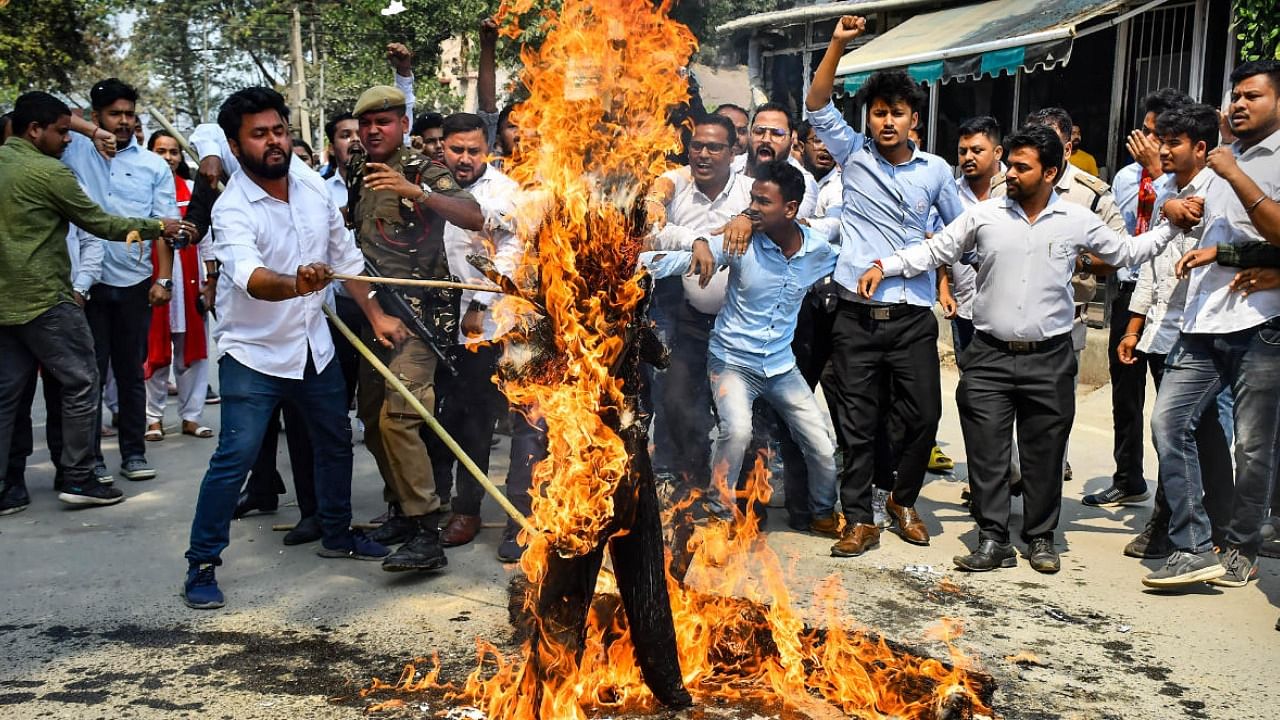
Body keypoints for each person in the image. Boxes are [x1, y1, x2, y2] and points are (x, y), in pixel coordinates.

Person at [858, 124, 1179, 573]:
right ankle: (992, 539)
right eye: (1009, 164)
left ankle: (1041, 537)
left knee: (1044, 452)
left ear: (1050, 172)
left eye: (1021, 167)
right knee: (987, 454)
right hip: (988, 355)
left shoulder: (1076, 219)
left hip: (1050, 356)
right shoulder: (984, 216)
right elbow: (933, 251)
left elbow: (1126, 252)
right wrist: (885, 266)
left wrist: (1170, 227)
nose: (1010, 173)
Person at [181, 87, 397, 610]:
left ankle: (338, 534)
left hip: (312, 347)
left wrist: (376, 315)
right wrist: (299, 284)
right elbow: (254, 280)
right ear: (236, 146)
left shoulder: (312, 190)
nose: (274, 142)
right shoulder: (232, 210)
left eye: (278, 130)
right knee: (234, 457)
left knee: (335, 441)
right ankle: (202, 564)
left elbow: (346, 263)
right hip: (253, 354)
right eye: (260, 135)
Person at [805, 16, 965, 558]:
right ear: (869, 119)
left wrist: (941, 276)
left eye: (897, 112)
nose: (887, 121)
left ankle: (901, 499)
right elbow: (817, 102)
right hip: (855, 314)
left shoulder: (937, 172)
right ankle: (860, 519)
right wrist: (838, 44)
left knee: (923, 416)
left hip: (913, 316)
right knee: (857, 421)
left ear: (913, 118)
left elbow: (959, 232)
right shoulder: (851, 155)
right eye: (879, 112)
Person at [0, 91, 188, 513]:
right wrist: (158, 224)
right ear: (35, 130)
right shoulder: (49, 172)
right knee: (84, 380)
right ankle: (81, 476)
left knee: (7, 393)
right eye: (62, 132)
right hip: (47, 299)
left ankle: (6, 488)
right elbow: (100, 223)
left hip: (7, 305)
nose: (68, 140)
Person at [640, 159, 838, 528]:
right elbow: (678, 259)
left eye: (763, 202)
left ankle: (824, 512)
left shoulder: (819, 251)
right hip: (731, 362)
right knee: (738, 432)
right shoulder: (739, 242)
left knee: (823, 445)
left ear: (791, 209)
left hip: (781, 367)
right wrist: (639, 261)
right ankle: (719, 509)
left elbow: (841, 231)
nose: (751, 210)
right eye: (752, 200)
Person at [1142, 60, 1280, 590]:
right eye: (1235, 95)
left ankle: (1243, 542)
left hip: (1261, 325)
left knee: (1252, 444)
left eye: (1252, 96)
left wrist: (1232, 178)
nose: (1238, 104)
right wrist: (1181, 204)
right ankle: (1194, 543)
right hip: (1201, 321)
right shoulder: (1227, 156)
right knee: (1168, 425)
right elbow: (1201, 219)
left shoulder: (1243, 163)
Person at [346, 85, 484, 573]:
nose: (372, 131)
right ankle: (402, 511)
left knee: (400, 418)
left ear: (403, 125)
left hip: (421, 317)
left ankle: (427, 530)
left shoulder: (426, 170)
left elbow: (472, 213)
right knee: (370, 416)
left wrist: (418, 194)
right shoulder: (357, 171)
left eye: (383, 122)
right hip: (375, 313)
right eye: (366, 124)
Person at [1113, 104, 1234, 560]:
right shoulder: (1172, 192)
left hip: (1197, 332)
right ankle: (1199, 525)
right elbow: (1154, 266)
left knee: (1182, 430)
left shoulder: (1213, 195)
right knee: (1187, 433)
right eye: (1160, 142)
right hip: (1163, 330)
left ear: (1201, 149)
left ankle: (1182, 526)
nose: (1161, 151)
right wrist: (1133, 325)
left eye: (1172, 143)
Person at [60, 78, 178, 485]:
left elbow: (164, 226)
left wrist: (163, 279)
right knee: (87, 375)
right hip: (82, 286)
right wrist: (91, 134)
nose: (124, 122)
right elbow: (44, 108)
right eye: (115, 114)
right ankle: (89, 459)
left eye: (130, 114)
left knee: (131, 373)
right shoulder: (72, 149)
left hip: (133, 284)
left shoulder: (152, 166)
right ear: (97, 117)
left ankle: (134, 453)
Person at [1089, 88, 1194, 508]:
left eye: (1157, 136)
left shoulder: (1187, 180)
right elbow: (1126, 237)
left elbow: (1179, 227)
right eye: (1145, 131)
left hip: (1173, 298)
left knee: (1172, 406)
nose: (1145, 142)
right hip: (1132, 290)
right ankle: (1128, 476)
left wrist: (1159, 173)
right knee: (1125, 395)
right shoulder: (1126, 178)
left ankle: (1176, 501)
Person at [428, 112, 522, 553]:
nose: (464, 159)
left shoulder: (503, 193)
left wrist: (481, 303)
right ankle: (430, 505)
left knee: (474, 421)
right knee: (435, 416)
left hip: (483, 321)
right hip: (431, 314)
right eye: (456, 150)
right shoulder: (426, 183)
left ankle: (468, 509)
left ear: (488, 151)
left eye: (473, 151)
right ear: (440, 147)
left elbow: (511, 250)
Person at [143, 130, 212, 441]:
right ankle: (153, 418)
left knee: (193, 353)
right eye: (161, 151)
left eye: (173, 151)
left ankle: (192, 416)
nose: (169, 157)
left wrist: (211, 280)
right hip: (154, 279)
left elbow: (208, 237)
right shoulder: (141, 192)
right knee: (154, 352)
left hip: (191, 280)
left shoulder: (192, 191)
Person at [949, 116, 1005, 352]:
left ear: (998, 152)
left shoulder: (1017, 188)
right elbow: (935, 242)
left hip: (1007, 312)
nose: (968, 157)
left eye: (977, 150)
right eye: (963, 151)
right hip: (965, 308)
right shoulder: (949, 194)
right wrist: (944, 291)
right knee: (969, 383)